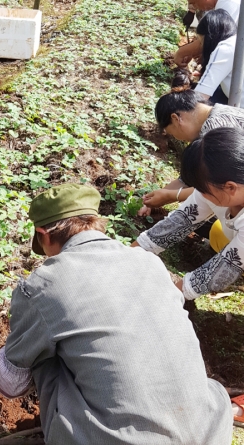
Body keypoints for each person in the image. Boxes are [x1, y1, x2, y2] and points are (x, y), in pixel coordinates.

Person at [0, 183, 232, 445]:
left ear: (43, 234)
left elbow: (10, 385)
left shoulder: (42, 285)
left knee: (42, 350)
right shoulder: (150, 263)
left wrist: (18, 343)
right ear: (96, 223)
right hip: (210, 433)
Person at [133, 127, 244, 299]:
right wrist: (129, 254)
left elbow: (226, 266)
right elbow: (181, 221)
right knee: (217, 232)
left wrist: (168, 298)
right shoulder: (219, 187)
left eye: (203, 189)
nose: (198, 194)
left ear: (230, 187)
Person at [139, 71, 244, 215]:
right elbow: (187, 180)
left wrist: (171, 196)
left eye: (172, 133)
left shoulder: (214, 131)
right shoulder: (220, 111)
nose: (178, 138)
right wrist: (156, 199)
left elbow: (216, 189)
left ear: (176, 119)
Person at [174, 0, 240, 68]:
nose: (195, 7)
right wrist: (193, 51)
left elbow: (212, 39)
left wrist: (181, 52)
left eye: (194, 3)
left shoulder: (228, 4)